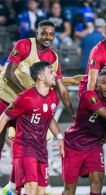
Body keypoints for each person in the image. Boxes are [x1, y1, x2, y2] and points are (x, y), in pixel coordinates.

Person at [0, 20, 74, 194]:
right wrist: (30, 96)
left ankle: (11, 186)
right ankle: (14, 187)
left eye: (51, 34)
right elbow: (9, 73)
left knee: (30, 142)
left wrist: (72, 114)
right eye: (44, 33)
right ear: (37, 33)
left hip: (30, 105)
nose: (47, 37)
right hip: (6, 99)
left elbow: (63, 88)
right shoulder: (24, 45)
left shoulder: (53, 59)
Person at [0, 61, 64, 195]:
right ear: (40, 77)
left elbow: (50, 118)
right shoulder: (25, 97)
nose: (55, 75)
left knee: (40, 191)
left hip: (41, 149)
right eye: (51, 72)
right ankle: (11, 188)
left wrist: (60, 138)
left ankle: (10, 189)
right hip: (24, 147)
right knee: (31, 187)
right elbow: (4, 117)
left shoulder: (53, 97)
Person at [62, 70, 106, 195]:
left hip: (94, 146)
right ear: (96, 83)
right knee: (69, 189)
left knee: (97, 183)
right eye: (104, 83)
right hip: (74, 145)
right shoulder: (88, 96)